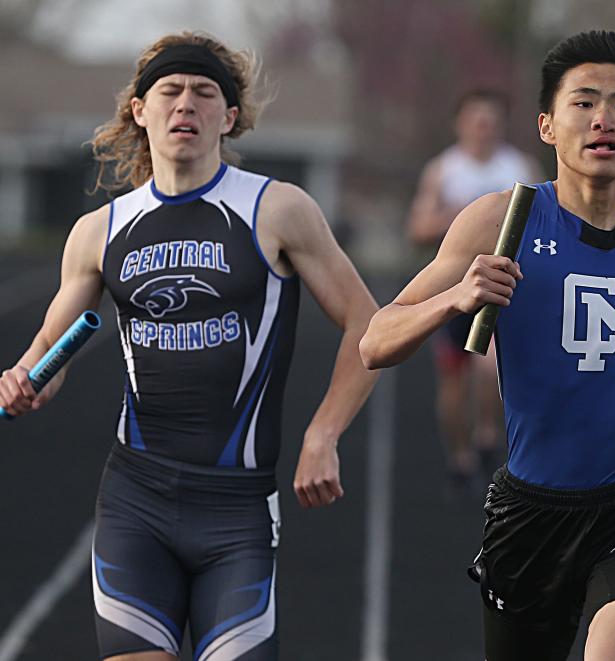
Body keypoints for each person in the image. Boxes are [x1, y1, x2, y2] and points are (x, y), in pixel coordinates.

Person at [360, 30, 615, 661]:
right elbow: (376, 343)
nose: (604, 119)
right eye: (585, 102)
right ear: (546, 126)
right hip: (533, 511)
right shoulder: (499, 222)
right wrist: (455, 298)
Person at [0, 32, 378, 660]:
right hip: (134, 501)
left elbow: (366, 322)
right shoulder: (100, 231)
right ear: (139, 111)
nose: (186, 105)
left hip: (238, 511)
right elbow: (48, 346)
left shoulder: (276, 209)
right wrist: (23, 376)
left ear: (229, 118)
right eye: (170, 91)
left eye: (205, 94)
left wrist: (324, 434)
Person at [406, 89, 540, 494]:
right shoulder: (443, 170)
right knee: (452, 382)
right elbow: (418, 230)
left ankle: (486, 434)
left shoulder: (521, 167)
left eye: (491, 119)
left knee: (491, 367)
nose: (483, 127)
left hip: (503, 289)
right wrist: (467, 216)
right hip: (453, 288)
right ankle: (460, 457)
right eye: (476, 119)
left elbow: (544, 225)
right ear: (460, 123)